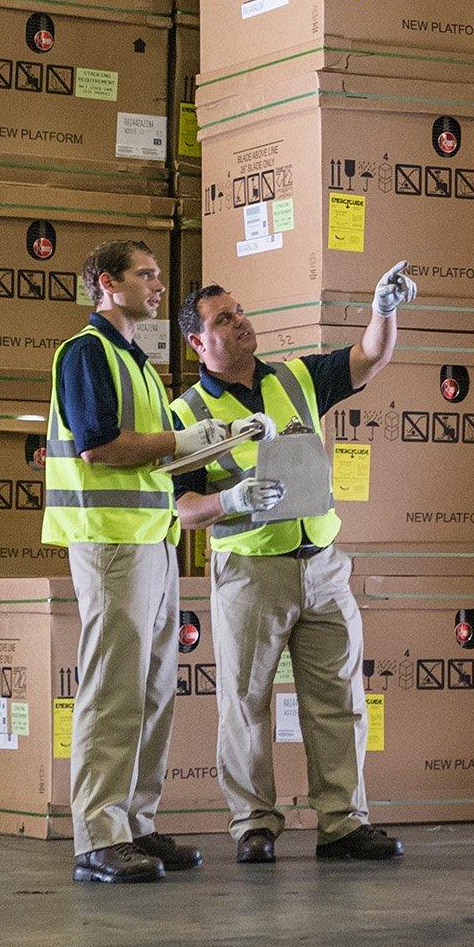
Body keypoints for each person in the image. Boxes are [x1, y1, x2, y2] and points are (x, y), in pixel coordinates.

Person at [170, 261, 418, 863]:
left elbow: (369, 358)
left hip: (324, 566)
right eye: (223, 319)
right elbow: (182, 508)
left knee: (338, 697)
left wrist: (383, 311)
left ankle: (343, 822)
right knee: (244, 699)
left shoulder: (299, 377)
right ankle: (253, 823)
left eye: (240, 311)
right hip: (253, 572)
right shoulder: (186, 415)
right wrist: (231, 500)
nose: (240, 323)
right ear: (198, 343)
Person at [42, 239, 243, 885]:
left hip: (151, 539)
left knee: (155, 688)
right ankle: (98, 833)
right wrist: (186, 438)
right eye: (145, 275)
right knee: (113, 689)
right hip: (110, 541)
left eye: (158, 275)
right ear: (108, 283)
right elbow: (100, 446)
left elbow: (157, 456)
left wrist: (222, 448)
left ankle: (135, 821)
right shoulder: (85, 354)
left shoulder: (139, 363)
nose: (158, 286)